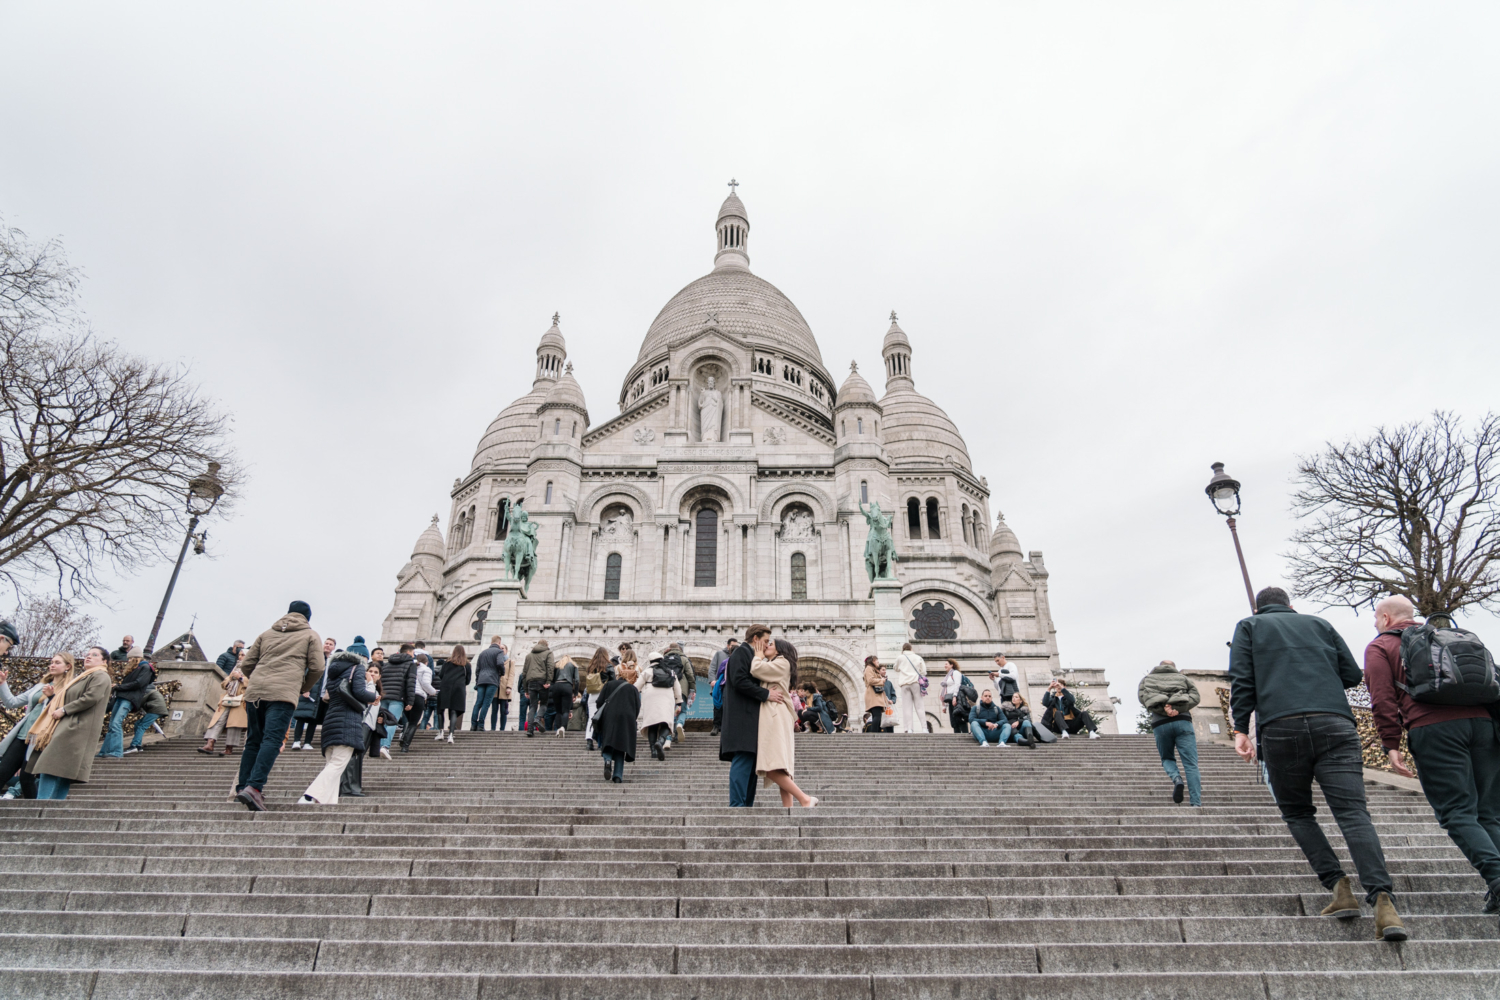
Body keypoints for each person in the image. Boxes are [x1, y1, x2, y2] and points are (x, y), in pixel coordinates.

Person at [1230, 585, 1405, 940]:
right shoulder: (1320, 624)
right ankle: (1383, 901)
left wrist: (1239, 728)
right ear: (1291, 606)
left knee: (1297, 812)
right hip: (1335, 723)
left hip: (1282, 725)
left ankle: (1338, 888)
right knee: (1353, 814)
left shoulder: (1248, 627)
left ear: (1258, 608)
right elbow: (1353, 675)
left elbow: (1242, 680)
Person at [1364, 595, 1500, 917]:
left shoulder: (1381, 646)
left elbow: (1382, 698)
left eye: (1374, 618)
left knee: (1457, 812)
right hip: (1484, 726)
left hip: (1435, 729)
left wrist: (1390, 743)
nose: (1374, 624)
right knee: (1489, 814)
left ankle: (1497, 878)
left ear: (1385, 618)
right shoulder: (1446, 638)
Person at [233, 601, 326, 812]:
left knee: (253, 740)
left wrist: (257, 680)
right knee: (273, 740)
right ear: (307, 617)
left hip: (255, 693)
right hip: (283, 693)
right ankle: (254, 787)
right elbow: (317, 667)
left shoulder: (266, 633)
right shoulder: (310, 636)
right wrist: (302, 686)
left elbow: (247, 664)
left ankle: (243, 786)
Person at [26, 646, 112, 800]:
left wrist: (64, 710)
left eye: (94, 655)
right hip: (71, 726)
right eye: (87, 654)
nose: (88, 657)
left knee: (51, 765)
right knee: (62, 770)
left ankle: (41, 805)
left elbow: (90, 698)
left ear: (104, 661)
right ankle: (52, 807)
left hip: (76, 728)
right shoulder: (86, 676)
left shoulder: (100, 676)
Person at [299, 649, 377, 805]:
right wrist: (373, 693)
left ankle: (328, 804)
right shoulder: (358, 668)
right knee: (338, 764)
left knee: (332, 765)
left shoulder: (333, 671)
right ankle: (309, 796)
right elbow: (359, 692)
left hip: (330, 720)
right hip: (348, 721)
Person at [750, 637, 817, 807]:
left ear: (779, 650)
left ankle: (804, 799)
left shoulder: (782, 662)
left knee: (770, 765)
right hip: (777, 713)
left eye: (770, 644)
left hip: (775, 714)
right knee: (781, 766)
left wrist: (757, 655)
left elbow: (756, 669)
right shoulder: (778, 663)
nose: (766, 646)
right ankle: (789, 809)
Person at [720, 624, 782, 806]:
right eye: (764, 641)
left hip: (749, 718)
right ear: (755, 639)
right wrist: (766, 694)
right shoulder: (741, 653)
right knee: (744, 759)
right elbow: (739, 680)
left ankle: (746, 805)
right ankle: (737, 805)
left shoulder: (752, 656)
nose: (766, 645)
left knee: (751, 762)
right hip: (741, 718)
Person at [1139, 659, 1203, 806]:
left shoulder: (1147, 679)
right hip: (1182, 721)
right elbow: (1195, 697)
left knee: (1167, 758)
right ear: (1174, 668)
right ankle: (1196, 803)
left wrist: (1164, 711)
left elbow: (1144, 699)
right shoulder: (1184, 679)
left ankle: (1177, 779)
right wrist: (1177, 710)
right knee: (1191, 764)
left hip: (1160, 724)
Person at [0, 650, 56, 799]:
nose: (52, 665)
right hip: (23, 734)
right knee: (2, 771)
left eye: (57, 663)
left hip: (40, 738)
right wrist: (3, 683)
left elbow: (60, 712)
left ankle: (33, 813)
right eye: (52, 662)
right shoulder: (40, 686)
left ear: (68, 667)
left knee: (26, 778)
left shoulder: (67, 688)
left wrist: (52, 697)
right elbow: (12, 702)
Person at [99, 651, 155, 758]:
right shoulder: (139, 669)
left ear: (135, 658)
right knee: (112, 725)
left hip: (128, 698)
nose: (128, 661)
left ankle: (116, 751)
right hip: (123, 697)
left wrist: (119, 687)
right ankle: (104, 752)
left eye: (130, 659)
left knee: (115, 723)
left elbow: (139, 683)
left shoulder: (145, 668)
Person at [596, 659, 641, 783]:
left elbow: (599, 702)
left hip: (609, 717)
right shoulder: (633, 689)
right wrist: (632, 718)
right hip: (627, 719)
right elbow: (637, 706)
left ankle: (608, 760)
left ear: (618, 675)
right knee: (621, 746)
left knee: (608, 742)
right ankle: (617, 776)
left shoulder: (609, 685)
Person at [291, 637, 336, 750]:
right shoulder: (315, 657)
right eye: (326, 643)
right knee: (302, 717)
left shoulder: (332, 661)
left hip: (322, 695)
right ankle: (296, 741)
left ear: (333, 647)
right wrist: (305, 688)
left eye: (330, 644)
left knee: (314, 720)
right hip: (310, 692)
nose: (328, 645)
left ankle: (307, 742)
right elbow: (306, 672)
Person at [636, 652, 681, 760]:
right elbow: (677, 689)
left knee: (652, 724)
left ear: (651, 661)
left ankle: (653, 751)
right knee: (666, 722)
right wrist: (678, 702)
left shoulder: (647, 672)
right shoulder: (670, 672)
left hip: (651, 698)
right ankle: (660, 741)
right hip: (667, 698)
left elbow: (636, 687)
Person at [378, 644, 417, 757]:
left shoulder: (387, 663)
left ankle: (380, 745)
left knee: (382, 721)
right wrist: (410, 701)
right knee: (392, 722)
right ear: (409, 653)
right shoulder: (410, 664)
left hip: (384, 696)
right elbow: (411, 683)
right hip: (397, 697)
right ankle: (385, 746)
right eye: (413, 653)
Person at [200, 666, 249, 756]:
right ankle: (210, 744)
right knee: (218, 721)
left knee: (234, 724)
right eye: (239, 655)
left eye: (242, 655)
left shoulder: (250, 667)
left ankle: (229, 748)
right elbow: (223, 684)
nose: (240, 657)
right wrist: (231, 678)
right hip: (227, 699)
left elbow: (254, 682)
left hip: (241, 700)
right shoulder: (234, 670)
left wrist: (240, 678)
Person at [402, 651, 437, 752]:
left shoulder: (409, 666)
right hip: (418, 696)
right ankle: (405, 746)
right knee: (413, 722)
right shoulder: (426, 669)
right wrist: (433, 692)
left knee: (408, 720)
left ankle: (403, 736)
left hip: (407, 695)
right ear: (426, 662)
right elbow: (426, 684)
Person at [434, 646, 470, 742]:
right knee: (454, 711)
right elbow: (468, 680)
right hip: (459, 688)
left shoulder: (447, 663)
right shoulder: (466, 664)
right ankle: (451, 734)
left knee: (441, 710)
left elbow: (441, 675)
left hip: (446, 687)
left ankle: (441, 732)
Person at [890, 642, 926, 734]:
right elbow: (924, 671)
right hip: (916, 682)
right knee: (920, 706)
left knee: (907, 707)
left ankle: (909, 729)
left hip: (904, 683)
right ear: (911, 648)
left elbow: (896, 668)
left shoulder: (900, 657)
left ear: (903, 649)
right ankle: (924, 728)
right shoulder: (918, 657)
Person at [521, 640, 555, 736]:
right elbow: (550, 667)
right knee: (544, 704)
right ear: (546, 645)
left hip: (531, 682)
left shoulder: (528, 656)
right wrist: (549, 681)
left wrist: (526, 689)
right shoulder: (548, 653)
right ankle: (537, 718)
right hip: (543, 681)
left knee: (533, 706)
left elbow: (524, 673)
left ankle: (530, 730)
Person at [473, 637, 507, 732]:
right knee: (486, 703)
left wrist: (477, 680)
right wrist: (502, 672)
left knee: (478, 702)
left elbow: (477, 669)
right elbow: (500, 663)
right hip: (492, 680)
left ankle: (473, 724)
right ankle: (480, 725)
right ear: (499, 642)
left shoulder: (483, 653)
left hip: (481, 680)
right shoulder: (499, 652)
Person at [663, 642, 695, 744]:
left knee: (670, 712)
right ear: (679, 649)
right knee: (682, 710)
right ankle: (680, 724)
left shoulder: (664, 659)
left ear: (669, 648)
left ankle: (668, 738)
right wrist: (693, 689)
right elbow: (690, 674)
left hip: (668, 688)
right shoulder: (684, 658)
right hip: (682, 688)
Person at [583, 647, 611, 750]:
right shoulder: (608, 666)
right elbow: (612, 680)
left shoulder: (591, 666)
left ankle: (589, 741)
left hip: (592, 694)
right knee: (605, 718)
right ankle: (603, 741)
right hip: (604, 694)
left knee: (591, 718)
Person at [709, 638, 736, 736]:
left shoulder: (737, 656)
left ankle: (726, 728)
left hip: (731, 687)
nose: (734, 648)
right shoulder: (719, 654)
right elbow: (712, 668)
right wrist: (712, 680)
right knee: (717, 707)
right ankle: (716, 726)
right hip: (719, 685)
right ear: (728, 645)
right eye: (732, 645)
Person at [551, 655, 579, 736]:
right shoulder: (574, 665)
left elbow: (552, 679)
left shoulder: (557, 665)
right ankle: (563, 728)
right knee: (565, 710)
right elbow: (577, 680)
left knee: (558, 711)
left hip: (557, 686)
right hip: (567, 686)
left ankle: (558, 729)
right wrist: (575, 693)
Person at [862, 656, 891, 732]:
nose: (878, 662)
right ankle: (874, 734)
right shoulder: (869, 668)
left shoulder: (873, 670)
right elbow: (870, 680)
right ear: (873, 661)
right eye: (876, 660)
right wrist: (881, 680)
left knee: (877, 716)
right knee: (877, 716)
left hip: (876, 695)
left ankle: (876, 734)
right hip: (873, 695)